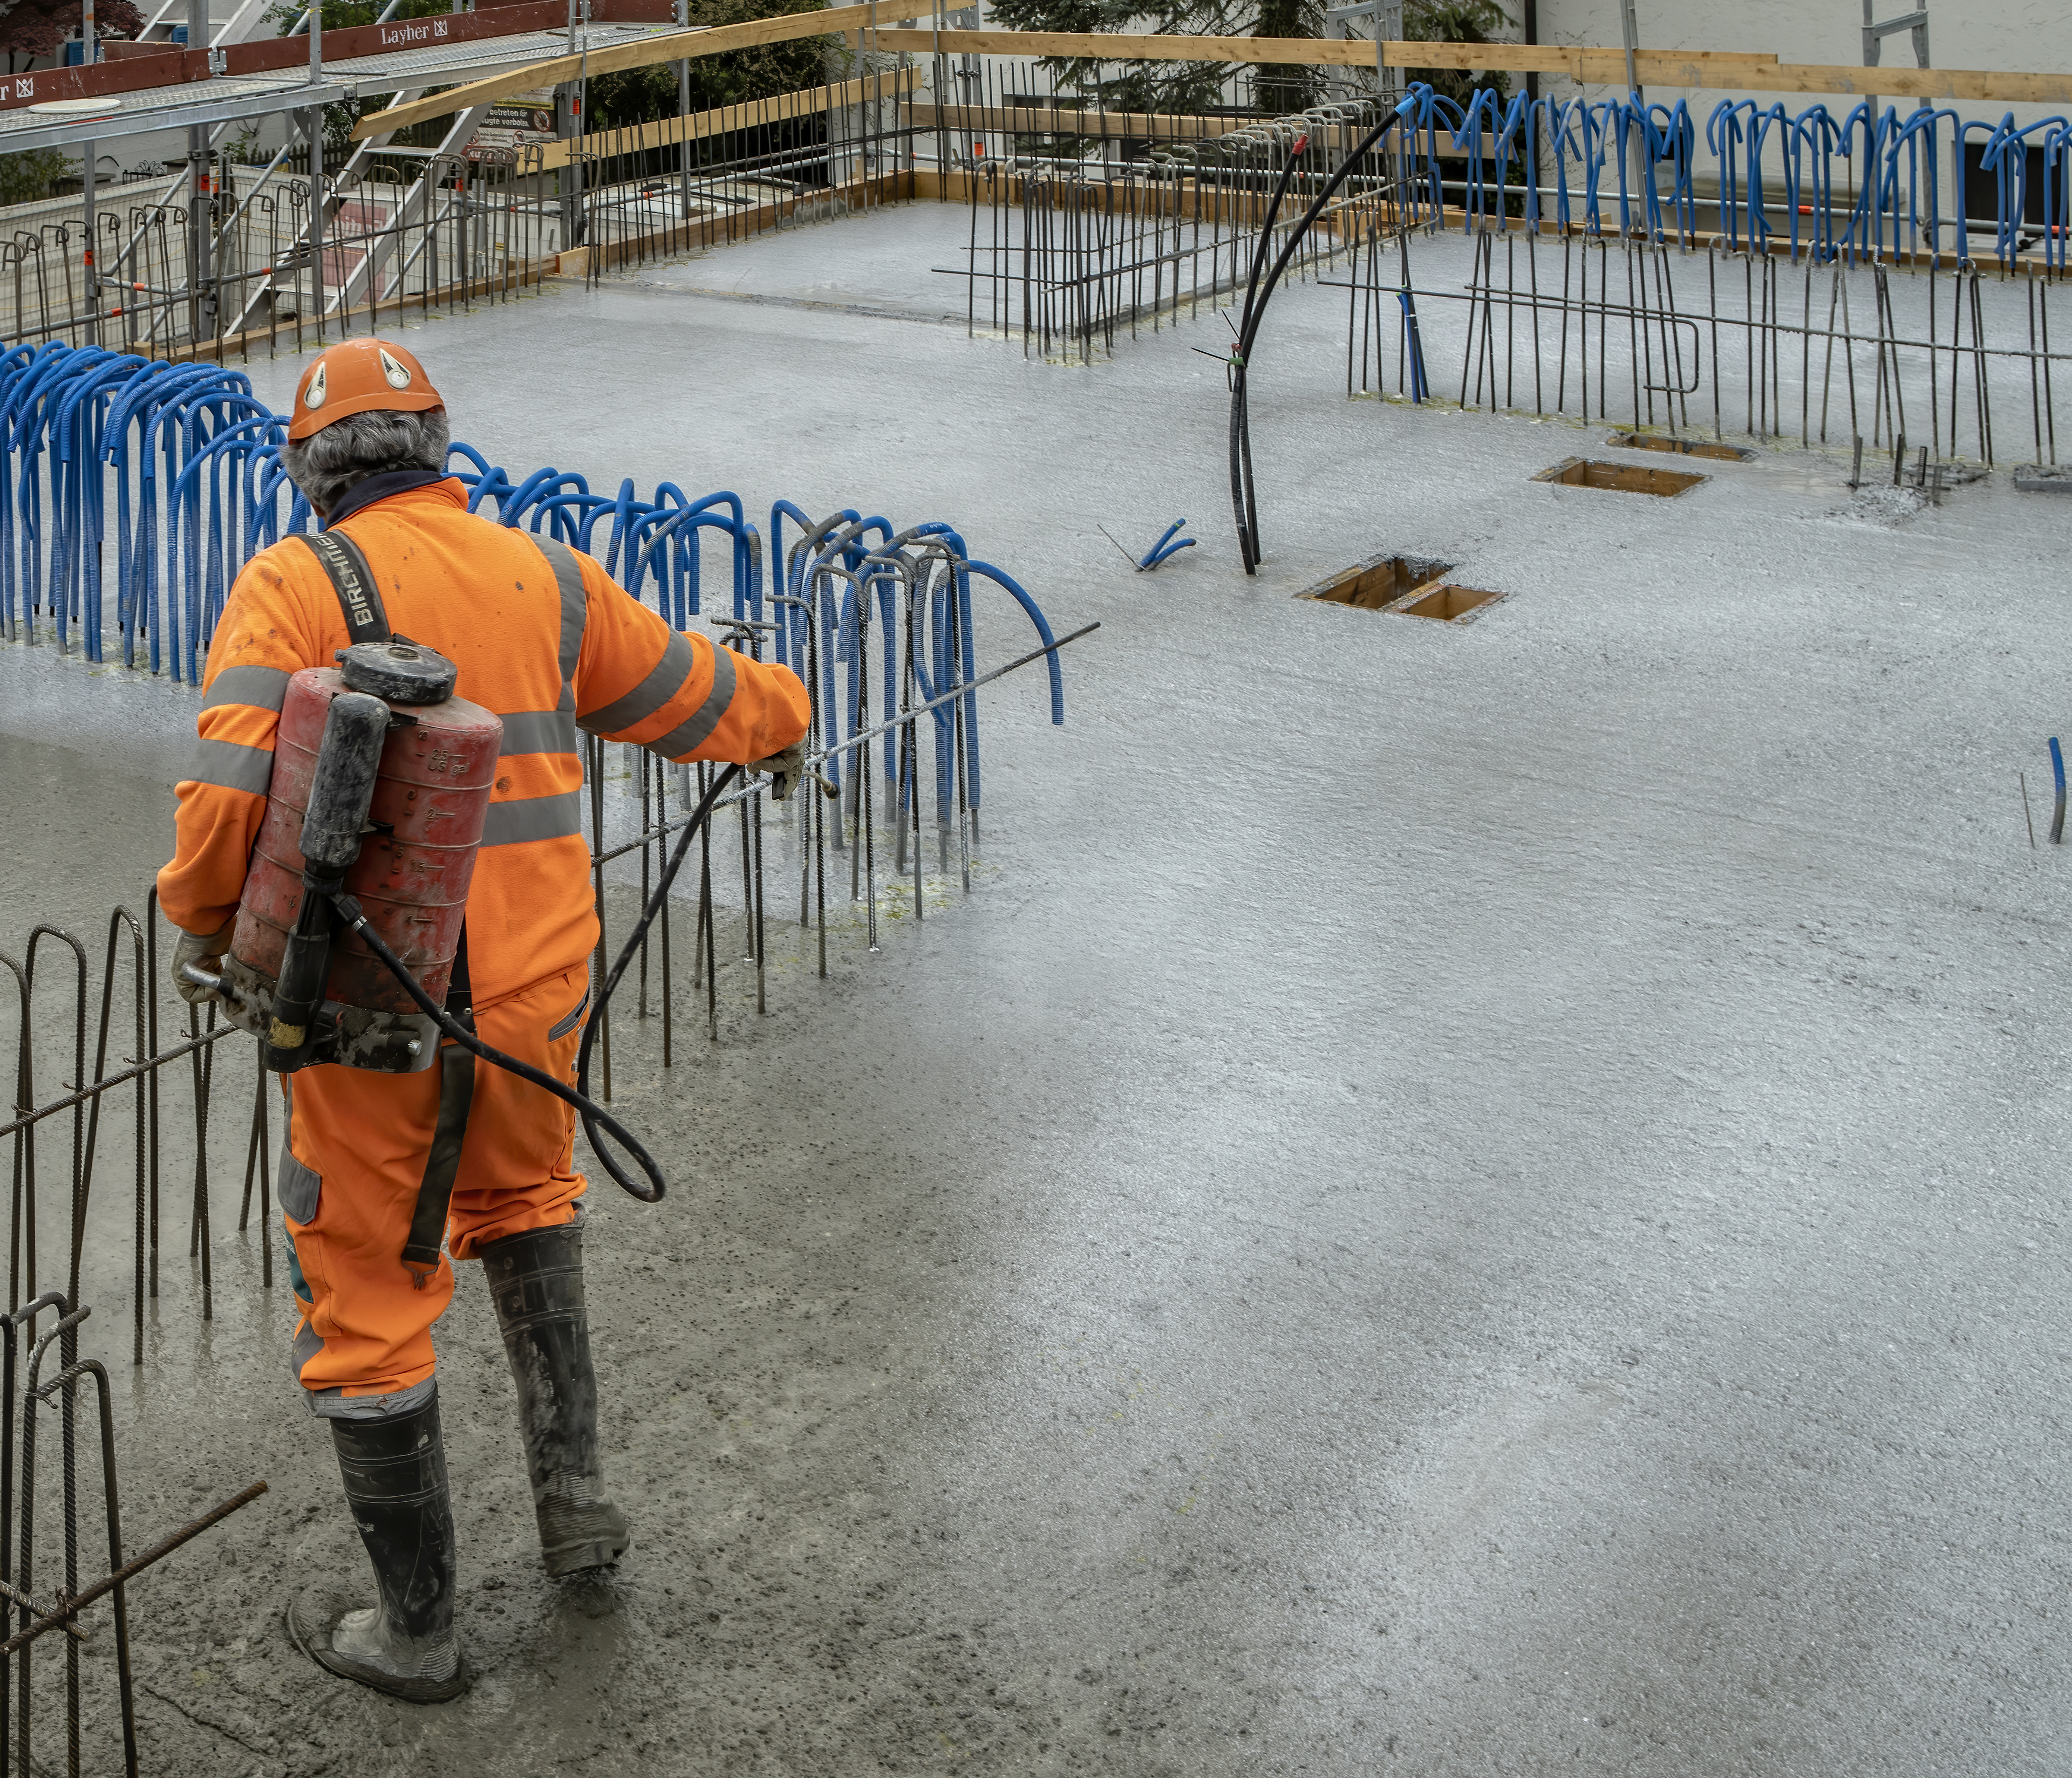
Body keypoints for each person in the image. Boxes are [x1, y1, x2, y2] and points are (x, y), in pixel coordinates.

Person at [155, 338, 810, 1703]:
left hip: (371, 1023)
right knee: (524, 1202)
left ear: (309, 472)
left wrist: (205, 929)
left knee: (370, 1302)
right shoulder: (546, 576)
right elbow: (688, 696)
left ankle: (419, 1633)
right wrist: (781, 708)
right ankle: (575, 1513)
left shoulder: (293, 586)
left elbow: (223, 807)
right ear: (439, 452)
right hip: (536, 1005)